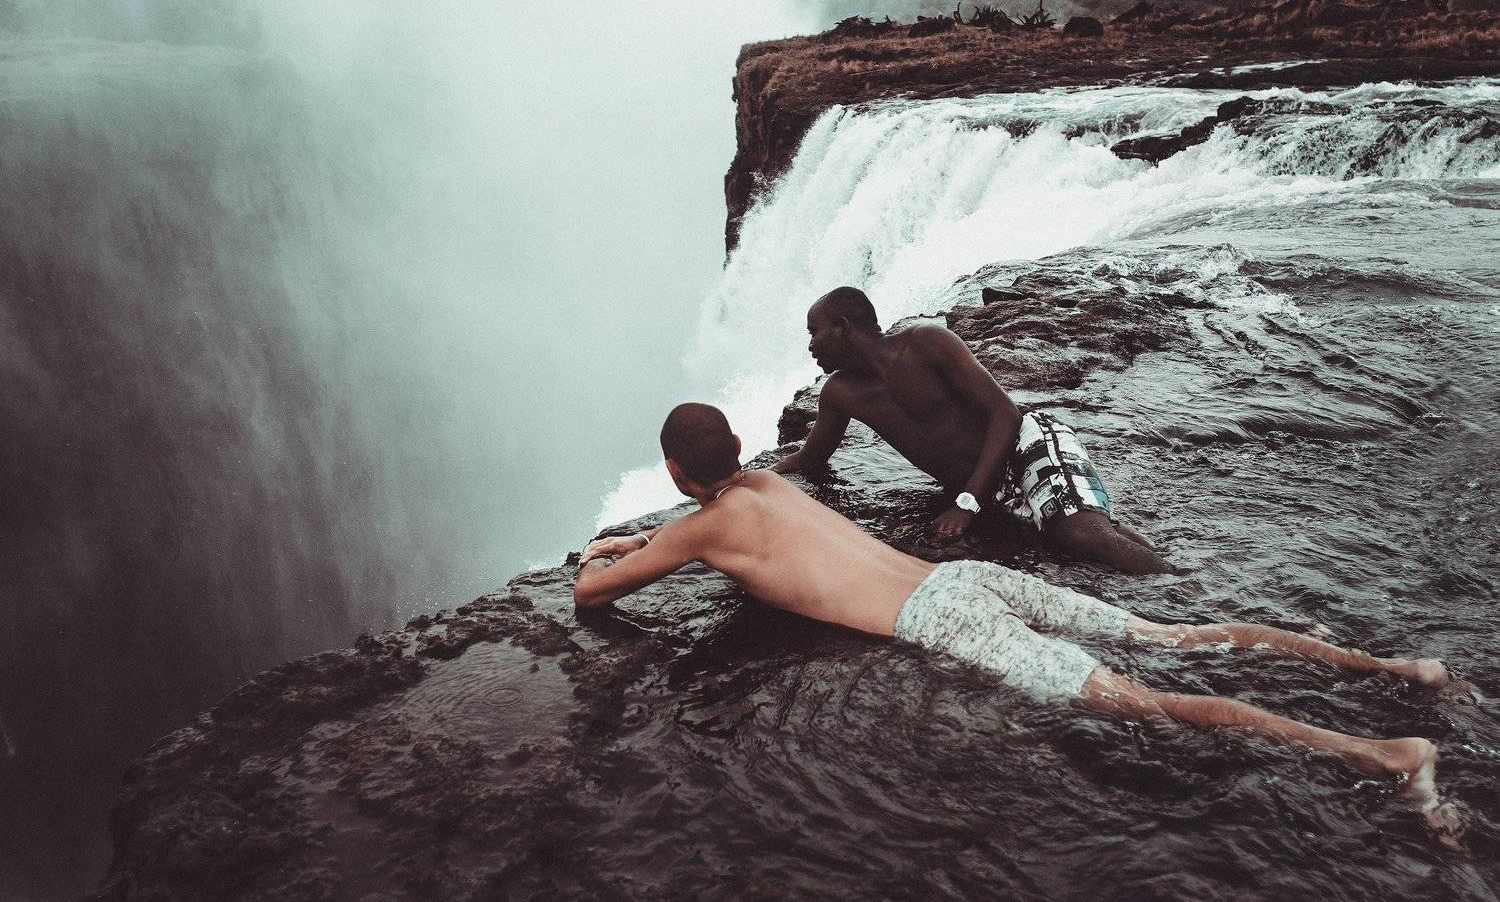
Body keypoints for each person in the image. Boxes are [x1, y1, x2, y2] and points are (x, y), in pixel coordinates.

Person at [578, 403, 1456, 833]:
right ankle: (1393, 669)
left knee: (1154, 702)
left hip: (943, 620)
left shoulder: (703, 525)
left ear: (672, 468)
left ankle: (1383, 754)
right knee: (1179, 640)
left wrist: (600, 557)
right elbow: (694, 528)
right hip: (966, 576)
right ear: (734, 449)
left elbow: (597, 595)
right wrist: (640, 539)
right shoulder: (765, 483)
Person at [773, 286, 1170, 574]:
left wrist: (966, 503)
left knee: (1080, 536)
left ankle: (1179, 587)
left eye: (814, 332)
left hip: (1024, 443)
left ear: (842, 328)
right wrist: (752, 475)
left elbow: (1006, 413)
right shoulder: (840, 393)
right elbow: (811, 457)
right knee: (1070, 534)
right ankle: (1161, 563)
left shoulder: (926, 343)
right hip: (989, 486)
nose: (811, 346)